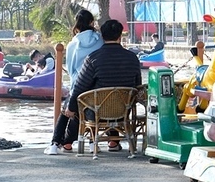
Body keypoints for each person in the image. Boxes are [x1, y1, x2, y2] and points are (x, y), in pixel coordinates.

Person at [45, 19, 142, 155]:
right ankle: (113, 142)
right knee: (114, 96)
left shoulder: (93, 59)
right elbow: (137, 85)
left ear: (102, 36)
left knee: (70, 106)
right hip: (123, 112)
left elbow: (80, 87)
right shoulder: (133, 58)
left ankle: (58, 143)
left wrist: (71, 108)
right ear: (120, 36)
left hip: (97, 113)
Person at [65, 9, 103, 84]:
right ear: (91, 23)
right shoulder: (101, 40)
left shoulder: (72, 45)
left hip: (79, 85)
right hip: (99, 85)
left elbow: (70, 70)